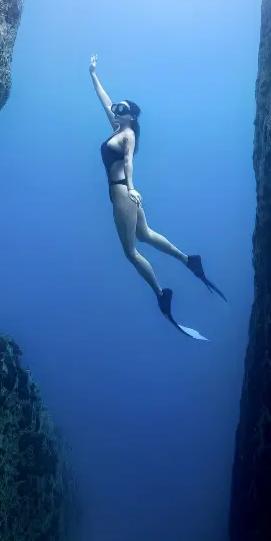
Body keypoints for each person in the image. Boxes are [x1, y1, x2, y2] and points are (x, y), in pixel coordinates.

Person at [90, 54, 226, 339]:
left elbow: (128, 161)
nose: (116, 108)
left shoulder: (128, 135)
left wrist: (130, 187)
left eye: (122, 108)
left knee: (130, 252)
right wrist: (93, 74)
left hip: (122, 194)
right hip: (125, 194)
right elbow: (104, 99)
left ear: (131, 116)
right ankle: (189, 260)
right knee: (146, 234)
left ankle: (161, 293)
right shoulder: (118, 128)